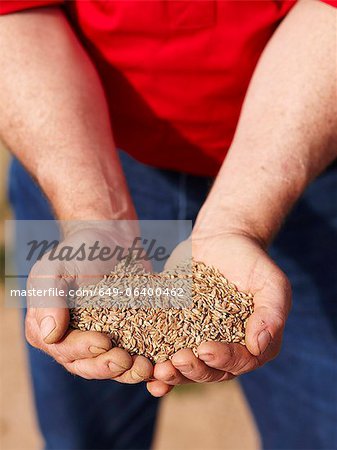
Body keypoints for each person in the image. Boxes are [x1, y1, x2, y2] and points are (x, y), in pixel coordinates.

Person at [1, 1, 337, 449]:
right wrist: (93, 218)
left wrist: (239, 220)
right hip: (75, 148)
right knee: (80, 430)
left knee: (321, 426)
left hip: (302, 146)